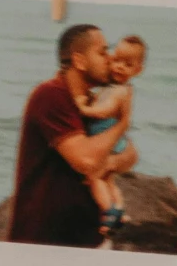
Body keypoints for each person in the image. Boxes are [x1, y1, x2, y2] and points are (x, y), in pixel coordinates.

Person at [8, 21, 137, 250]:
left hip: (86, 239)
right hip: (44, 241)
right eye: (102, 51)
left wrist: (109, 161)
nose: (110, 58)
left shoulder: (92, 102)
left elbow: (131, 155)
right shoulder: (50, 96)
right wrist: (123, 124)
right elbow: (86, 160)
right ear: (79, 61)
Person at [77, 36, 146, 244]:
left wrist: (84, 108)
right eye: (117, 61)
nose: (120, 67)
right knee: (109, 180)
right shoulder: (113, 87)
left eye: (128, 65)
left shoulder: (121, 91)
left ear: (137, 71)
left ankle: (108, 212)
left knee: (95, 178)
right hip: (112, 141)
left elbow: (106, 110)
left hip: (111, 143)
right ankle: (120, 211)